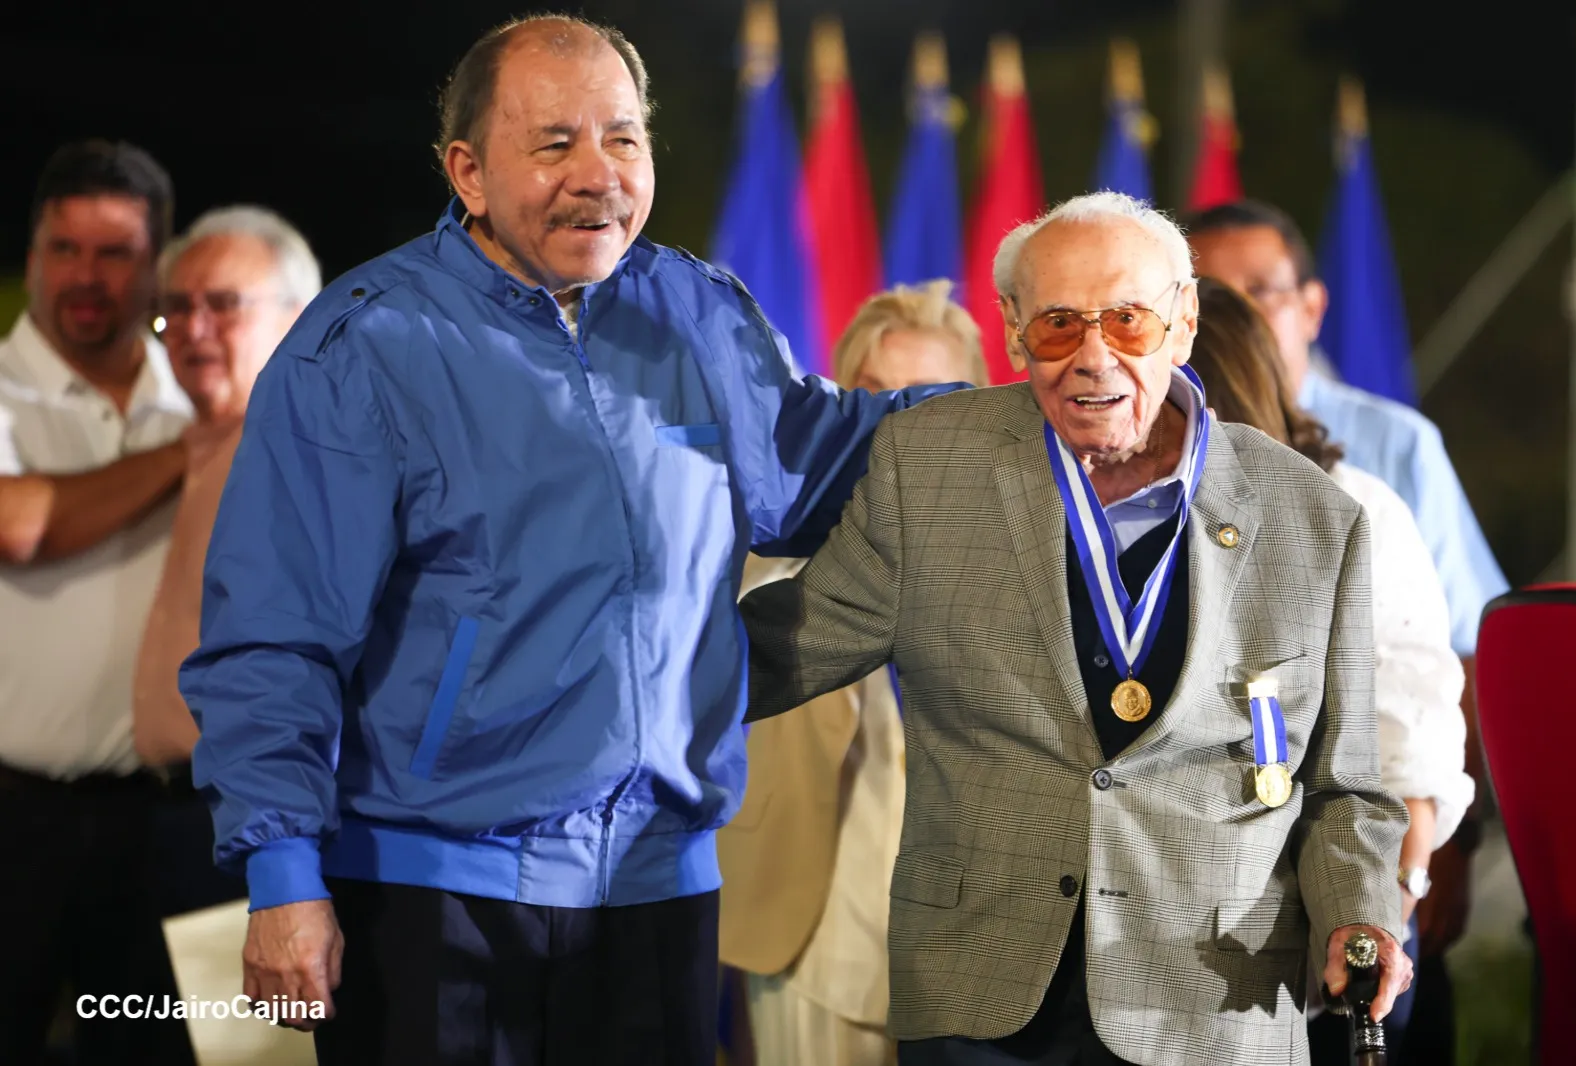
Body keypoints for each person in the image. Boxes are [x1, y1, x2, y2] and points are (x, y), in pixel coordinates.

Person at [177, 15, 960, 1066]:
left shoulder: (698, 312)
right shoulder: (363, 344)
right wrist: (281, 877)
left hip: (659, 891)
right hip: (429, 897)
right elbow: (273, 637)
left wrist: (1026, 413)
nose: (599, 174)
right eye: (554, 143)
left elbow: (819, 458)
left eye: (623, 138)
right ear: (467, 171)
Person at [739, 191, 1413, 1066]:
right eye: (1060, 325)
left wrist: (1360, 913)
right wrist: (609, 655)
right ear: (1015, 332)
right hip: (980, 1003)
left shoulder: (1314, 516)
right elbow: (779, 651)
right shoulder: (929, 467)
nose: (1095, 357)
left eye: (1129, 320)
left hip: (1217, 1004)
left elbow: (1345, 786)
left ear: (1183, 323)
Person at [1186, 199, 1504, 1057]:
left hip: (1337, 906)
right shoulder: (1127, 511)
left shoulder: (1360, 498)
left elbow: (1420, 707)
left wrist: (1410, 880)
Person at [719, 280, 988, 1066]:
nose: (900, 429)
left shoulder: (1018, 564)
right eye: (878, 399)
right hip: (814, 931)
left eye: (930, 401)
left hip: (977, 941)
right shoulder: (765, 556)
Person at [0, 140, 197, 1064]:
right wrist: (192, 453)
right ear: (33, 256)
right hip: (14, 825)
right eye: (66, 248)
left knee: (150, 1050)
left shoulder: (198, 391)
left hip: (166, 827)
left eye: (115, 253)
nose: (86, 275)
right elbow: (20, 525)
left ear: (156, 265)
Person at [132, 206, 320, 920]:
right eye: (177, 308)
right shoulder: (202, 445)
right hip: (171, 817)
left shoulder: (299, 452)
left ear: (298, 317)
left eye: (224, 303)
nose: (194, 327)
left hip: (253, 827)